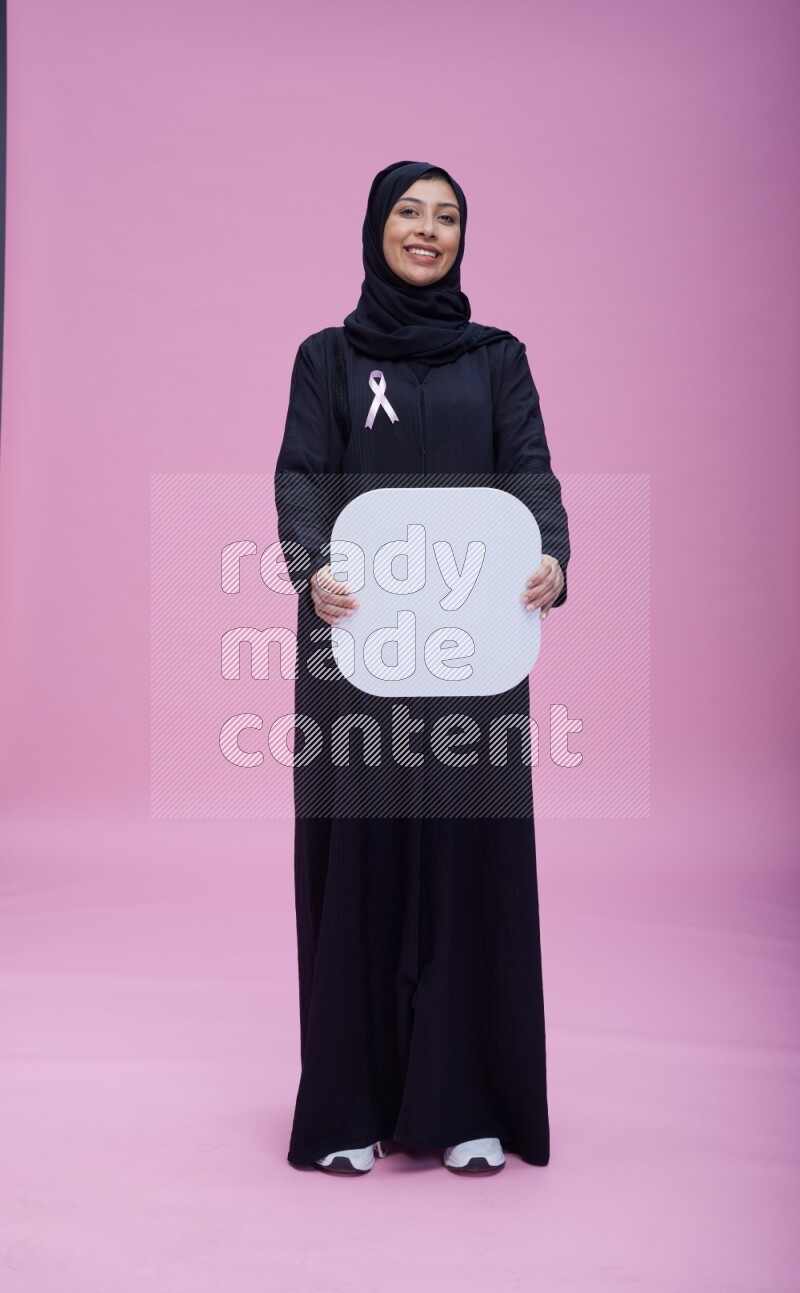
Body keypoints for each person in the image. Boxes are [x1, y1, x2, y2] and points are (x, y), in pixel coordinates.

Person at [274, 160, 570, 1176]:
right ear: (375, 226)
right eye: (409, 211)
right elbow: (301, 478)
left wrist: (550, 557)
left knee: (462, 865)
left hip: (472, 657)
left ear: (460, 239)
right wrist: (311, 571)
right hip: (354, 646)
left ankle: (464, 1103)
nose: (427, 229)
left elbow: (528, 471)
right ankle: (348, 1108)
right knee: (360, 865)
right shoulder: (326, 357)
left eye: (446, 217)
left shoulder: (497, 359)